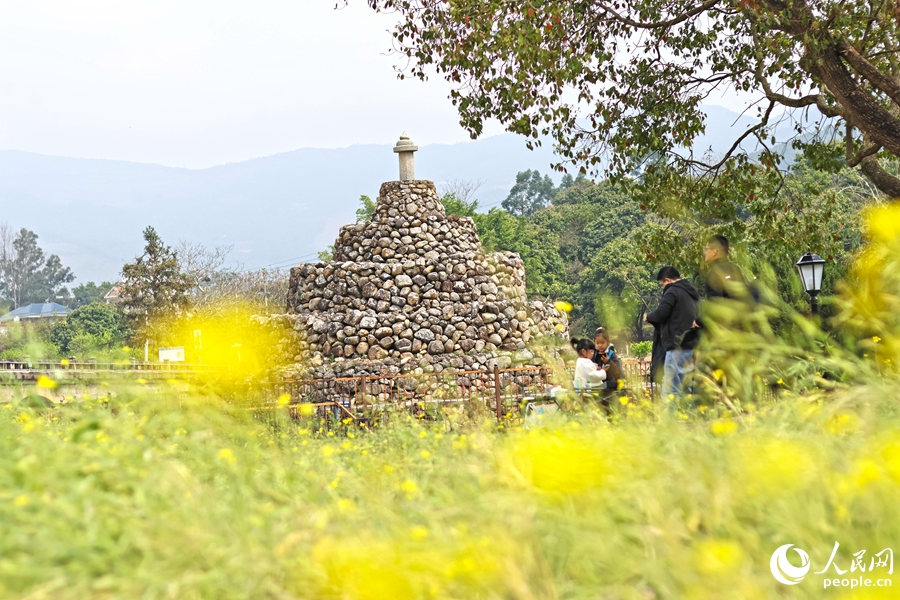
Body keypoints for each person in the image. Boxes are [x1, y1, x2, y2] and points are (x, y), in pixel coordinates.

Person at [645, 266, 700, 401]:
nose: (663, 287)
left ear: (667, 280)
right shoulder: (693, 293)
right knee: (687, 389)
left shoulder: (672, 291)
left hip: (676, 347)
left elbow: (662, 312)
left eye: (662, 284)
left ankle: (668, 421)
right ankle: (690, 420)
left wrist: (648, 317)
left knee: (670, 391)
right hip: (692, 346)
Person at [703, 235, 753, 302]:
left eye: (706, 249)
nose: (705, 253)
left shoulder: (714, 274)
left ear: (714, 252)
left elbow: (716, 306)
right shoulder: (737, 268)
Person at [592, 327, 623, 397]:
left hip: (610, 384)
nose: (600, 345)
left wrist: (609, 361)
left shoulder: (611, 354)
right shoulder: (593, 355)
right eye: (597, 343)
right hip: (597, 384)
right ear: (594, 342)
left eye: (602, 342)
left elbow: (617, 370)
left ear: (608, 342)